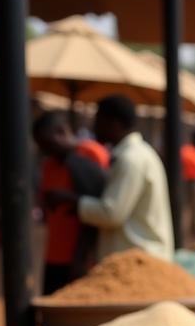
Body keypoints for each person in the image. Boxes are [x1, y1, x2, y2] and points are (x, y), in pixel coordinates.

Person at [49, 95, 173, 259]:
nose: (95, 128)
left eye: (99, 121)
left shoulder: (131, 159)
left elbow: (111, 214)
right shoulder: (138, 154)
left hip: (140, 258)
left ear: (114, 123)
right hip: (140, 256)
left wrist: (72, 200)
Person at [34, 110, 108, 295]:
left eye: (47, 144)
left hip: (80, 257)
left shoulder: (89, 155)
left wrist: (81, 258)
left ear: (61, 132)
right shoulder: (50, 164)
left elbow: (95, 210)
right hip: (54, 252)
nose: (44, 151)